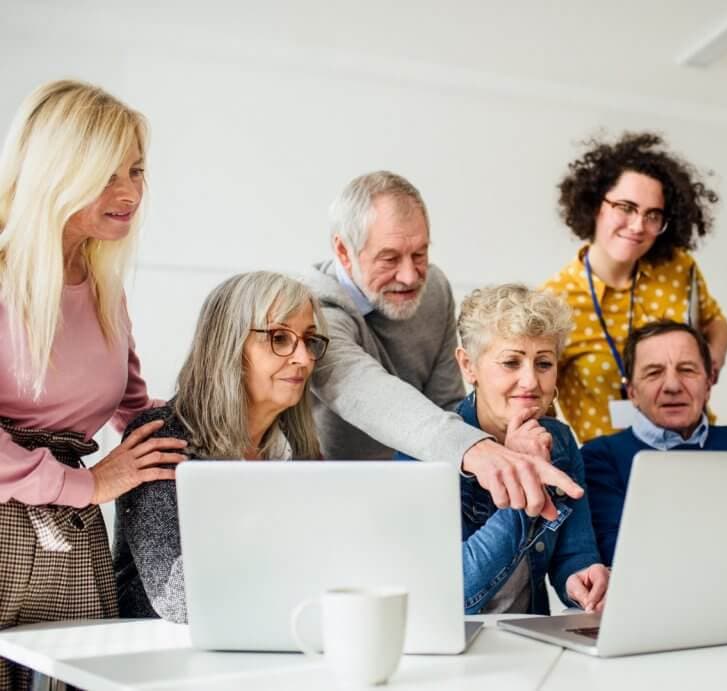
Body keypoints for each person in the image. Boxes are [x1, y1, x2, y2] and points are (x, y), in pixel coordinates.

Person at [0, 80, 186, 689]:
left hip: (73, 533)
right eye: (108, 174)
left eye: (136, 170)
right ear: (59, 171)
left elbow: (133, 407)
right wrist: (88, 482)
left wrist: (226, 420)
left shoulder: (104, 284)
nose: (130, 192)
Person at [306, 171, 581, 522]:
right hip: (341, 498)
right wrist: (474, 447)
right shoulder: (312, 307)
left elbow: (447, 402)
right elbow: (359, 386)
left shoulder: (432, 288)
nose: (409, 276)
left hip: (424, 490)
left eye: (419, 253)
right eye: (389, 259)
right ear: (343, 251)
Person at [114, 271, 328, 623]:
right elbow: (179, 599)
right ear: (227, 345)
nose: (303, 359)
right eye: (279, 338)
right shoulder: (162, 438)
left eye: (308, 340)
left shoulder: (298, 446)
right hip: (162, 660)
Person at [542, 132, 727, 444]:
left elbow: (716, 323)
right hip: (608, 469)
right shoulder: (554, 302)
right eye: (625, 207)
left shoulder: (678, 269)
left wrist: (710, 362)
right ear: (595, 205)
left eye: (652, 215)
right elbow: (541, 394)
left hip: (695, 447)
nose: (638, 225)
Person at [439, 284, 607, 613]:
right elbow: (451, 593)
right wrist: (524, 475)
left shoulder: (559, 441)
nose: (531, 382)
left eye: (543, 364)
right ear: (468, 365)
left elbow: (575, 553)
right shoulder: (432, 450)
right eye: (511, 363)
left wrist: (582, 578)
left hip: (530, 637)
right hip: (456, 645)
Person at [581, 320, 727, 564]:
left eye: (687, 370)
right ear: (632, 392)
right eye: (653, 373)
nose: (672, 386)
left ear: (708, 382)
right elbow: (618, 554)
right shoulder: (598, 458)